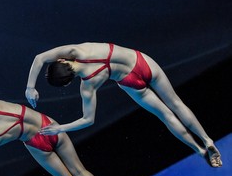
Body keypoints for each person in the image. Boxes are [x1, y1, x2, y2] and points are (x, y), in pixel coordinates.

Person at [25, 42, 222, 167]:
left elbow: (88, 120)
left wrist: (61, 128)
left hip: (129, 82)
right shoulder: (77, 50)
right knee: (176, 104)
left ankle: (199, 150)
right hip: (141, 63)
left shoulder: (87, 86)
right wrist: (30, 88)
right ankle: (206, 140)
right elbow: (39, 58)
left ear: (68, 81)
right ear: (62, 60)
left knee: (166, 116)